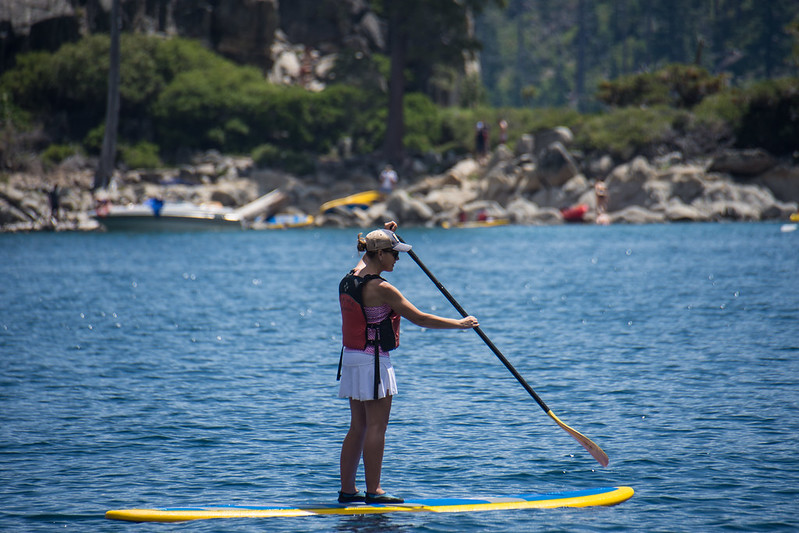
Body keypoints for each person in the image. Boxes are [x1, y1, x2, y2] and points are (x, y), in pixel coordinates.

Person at [337, 223, 478, 505]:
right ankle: (374, 491)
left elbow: (365, 253)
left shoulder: (351, 276)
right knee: (376, 427)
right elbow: (420, 318)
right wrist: (460, 324)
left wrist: (385, 231)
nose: (398, 259)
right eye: (394, 253)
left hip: (351, 357)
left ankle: (347, 490)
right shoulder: (383, 288)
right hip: (372, 361)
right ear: (379, 255)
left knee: (358, 426)